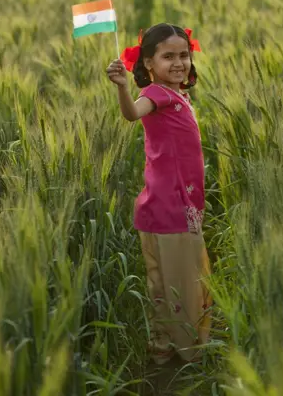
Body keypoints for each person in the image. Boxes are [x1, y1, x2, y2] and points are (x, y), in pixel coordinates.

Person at [105, 23, 212, 365]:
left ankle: (165, 344)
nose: (179, 62)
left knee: (170, 279)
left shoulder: (180, 94)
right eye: (168, 56)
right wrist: (123, 88)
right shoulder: (155, 94)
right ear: (149, 63)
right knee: (175, 280)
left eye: (184, 55)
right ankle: (186, 348)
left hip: (181, 205)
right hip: (169, 208)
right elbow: (132, 114)